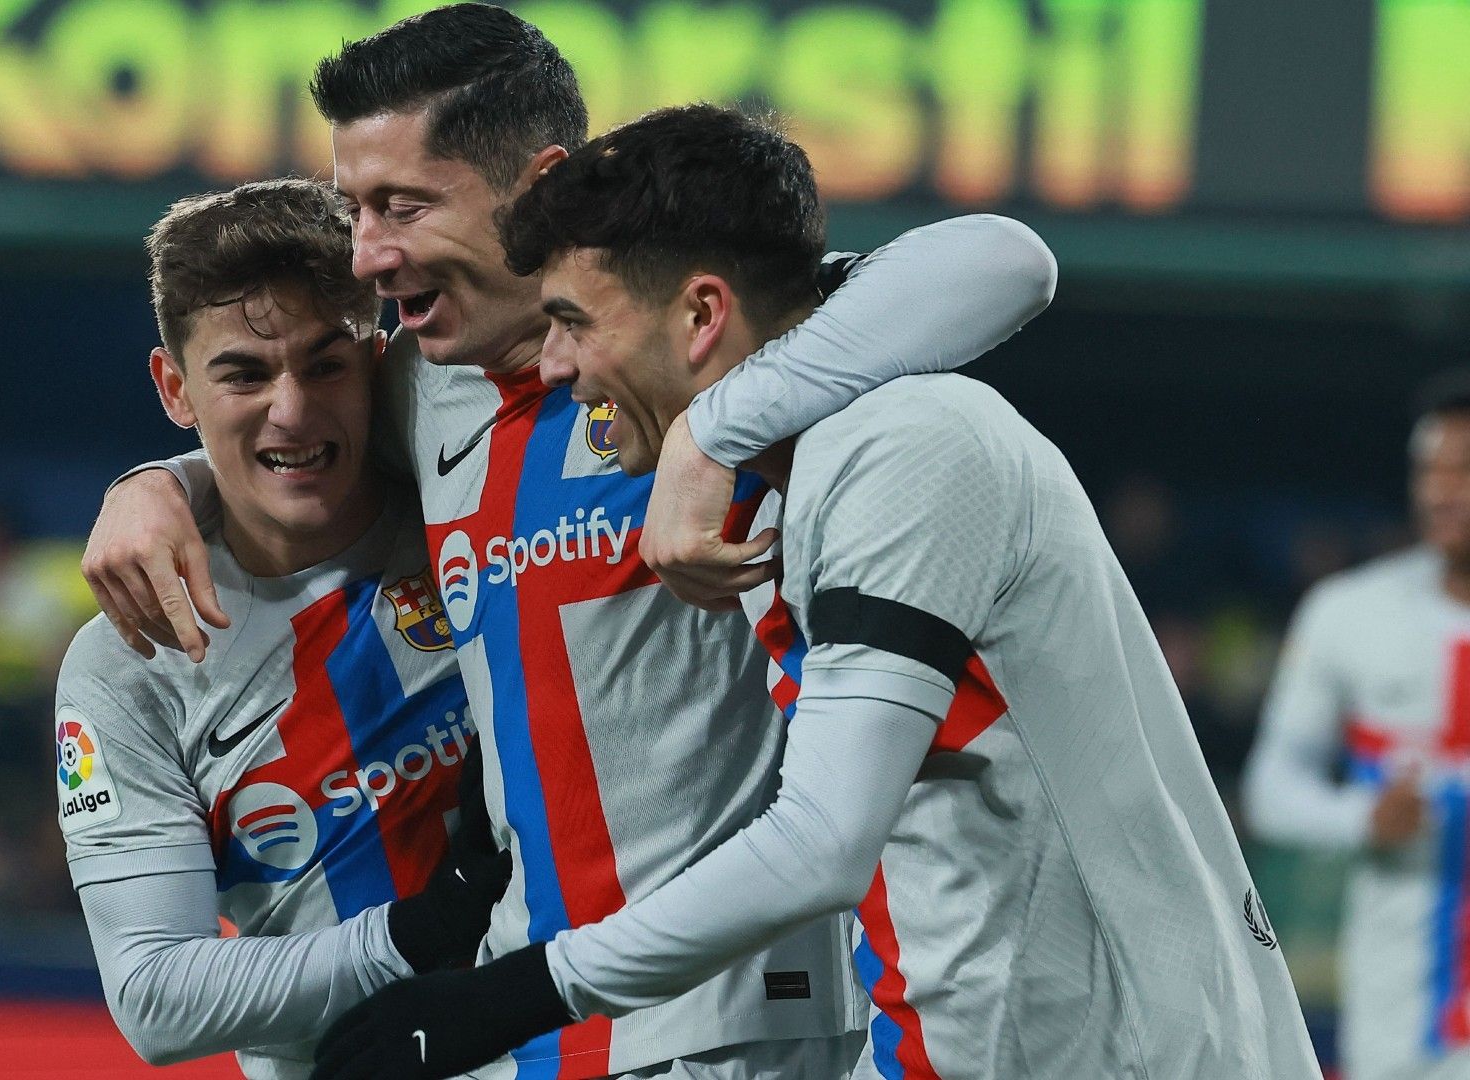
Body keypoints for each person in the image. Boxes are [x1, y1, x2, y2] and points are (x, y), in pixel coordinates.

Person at [82, 7, 1058, 1076]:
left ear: (538, 183)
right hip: (530, 1022)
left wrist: (711, 434)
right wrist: (152, 488)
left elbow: (1004, 261)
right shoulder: (424, 390)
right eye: (356, 209)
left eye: (400, 205)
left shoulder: (692, 349)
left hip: (742, 1022)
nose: (367, 253)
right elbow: (286, 435)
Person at [313, 104, 1321, 1080]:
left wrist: (520, 992)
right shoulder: (803, 462)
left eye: (574, 322)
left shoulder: (908, 447)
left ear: (703, 313)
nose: (563, 367)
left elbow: (823, 845)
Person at [53, 179, 508, 1079]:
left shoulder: (476, 502)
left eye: (326, 363)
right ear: (174, 387)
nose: (292, 410)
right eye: (245, 374)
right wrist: (419, 931)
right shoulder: (127, 657)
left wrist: (155, 481)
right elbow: (155, 995)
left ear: (378, 362)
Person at [1244, 369, 1470, 1080]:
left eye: (1462, 469)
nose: (1439, 489)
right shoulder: (1349, 614)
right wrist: (1363, 817)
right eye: (1427, 469)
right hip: (1397, 1006)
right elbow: (1270, 790)